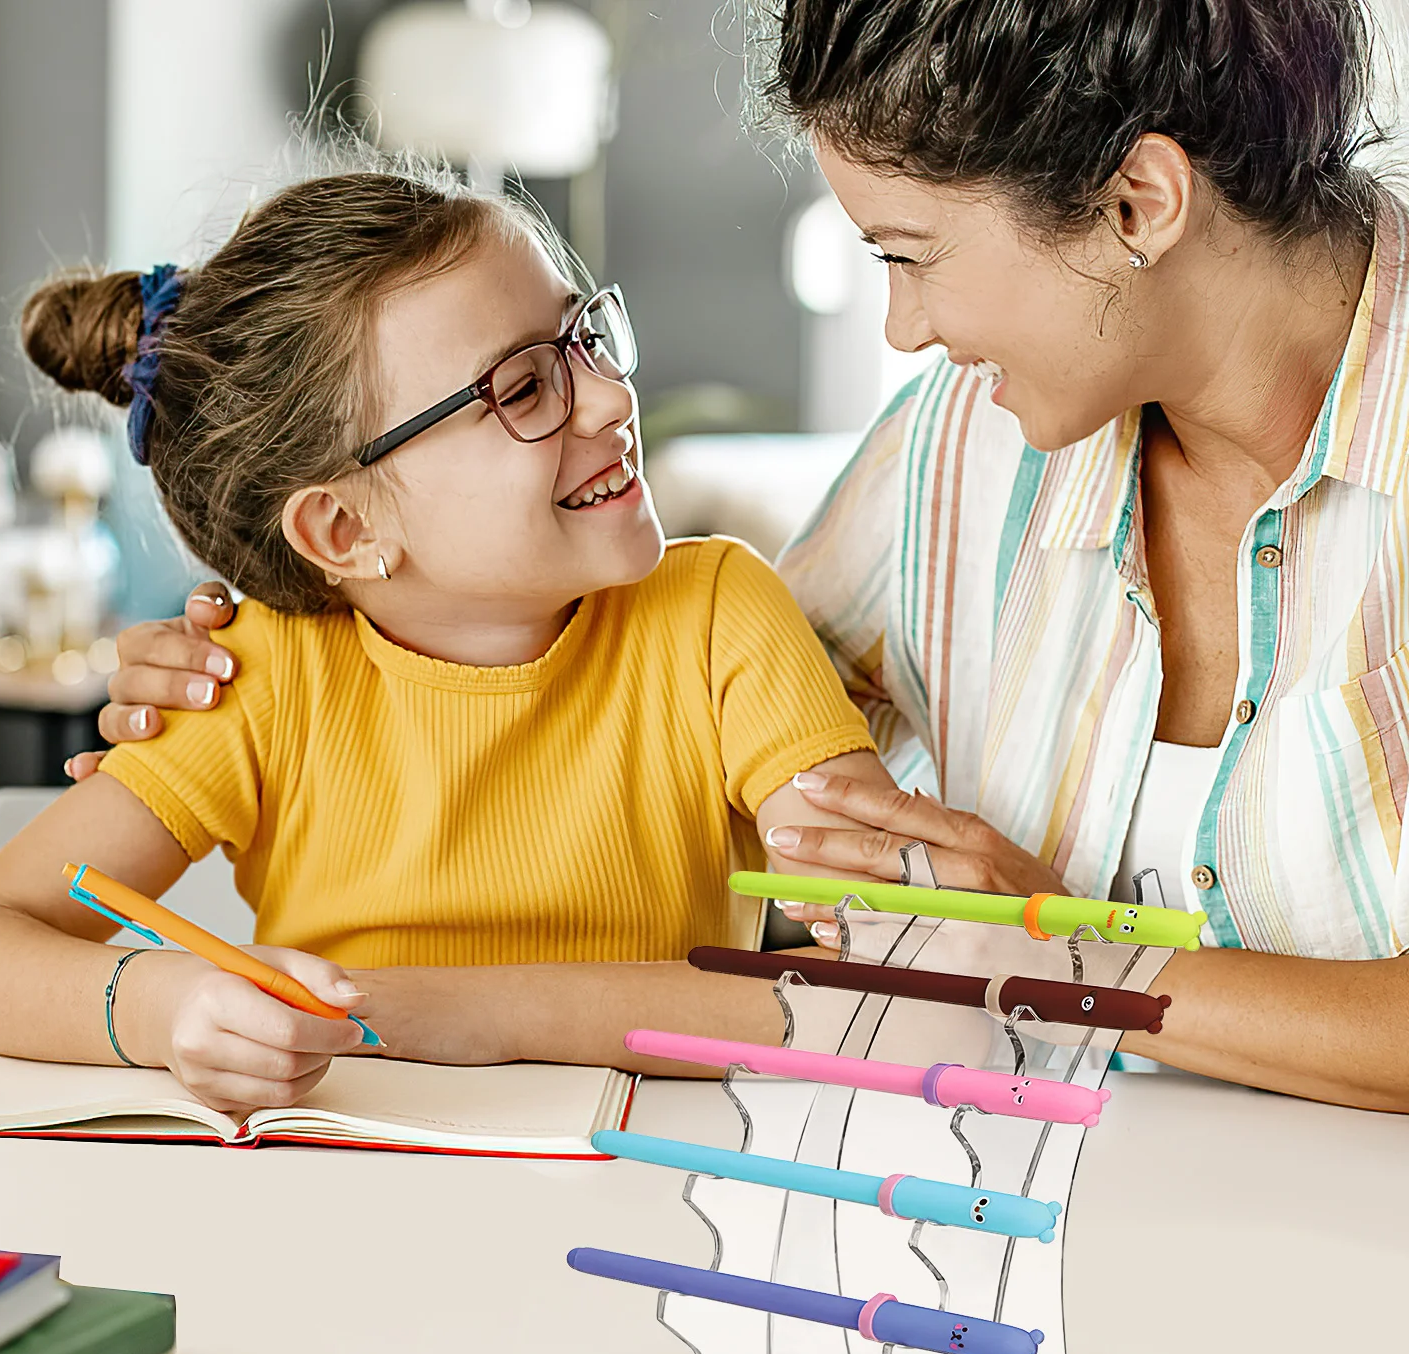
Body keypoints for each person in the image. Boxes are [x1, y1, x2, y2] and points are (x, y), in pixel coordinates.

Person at [92, 0, 1409, 1113]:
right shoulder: (964, 450)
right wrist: (285, 623)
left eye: (911, 255)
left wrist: (1062, 957)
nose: (904, 327)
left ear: (1138, 201)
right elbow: (666, 683)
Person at [0, 158, 889, 1113]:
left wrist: (467, 1013)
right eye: (525, 388)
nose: (613, 397)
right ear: (345, 530)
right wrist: (160, 1004)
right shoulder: (249, 674)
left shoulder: (716, 618)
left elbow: (892, 992)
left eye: (581, 339)